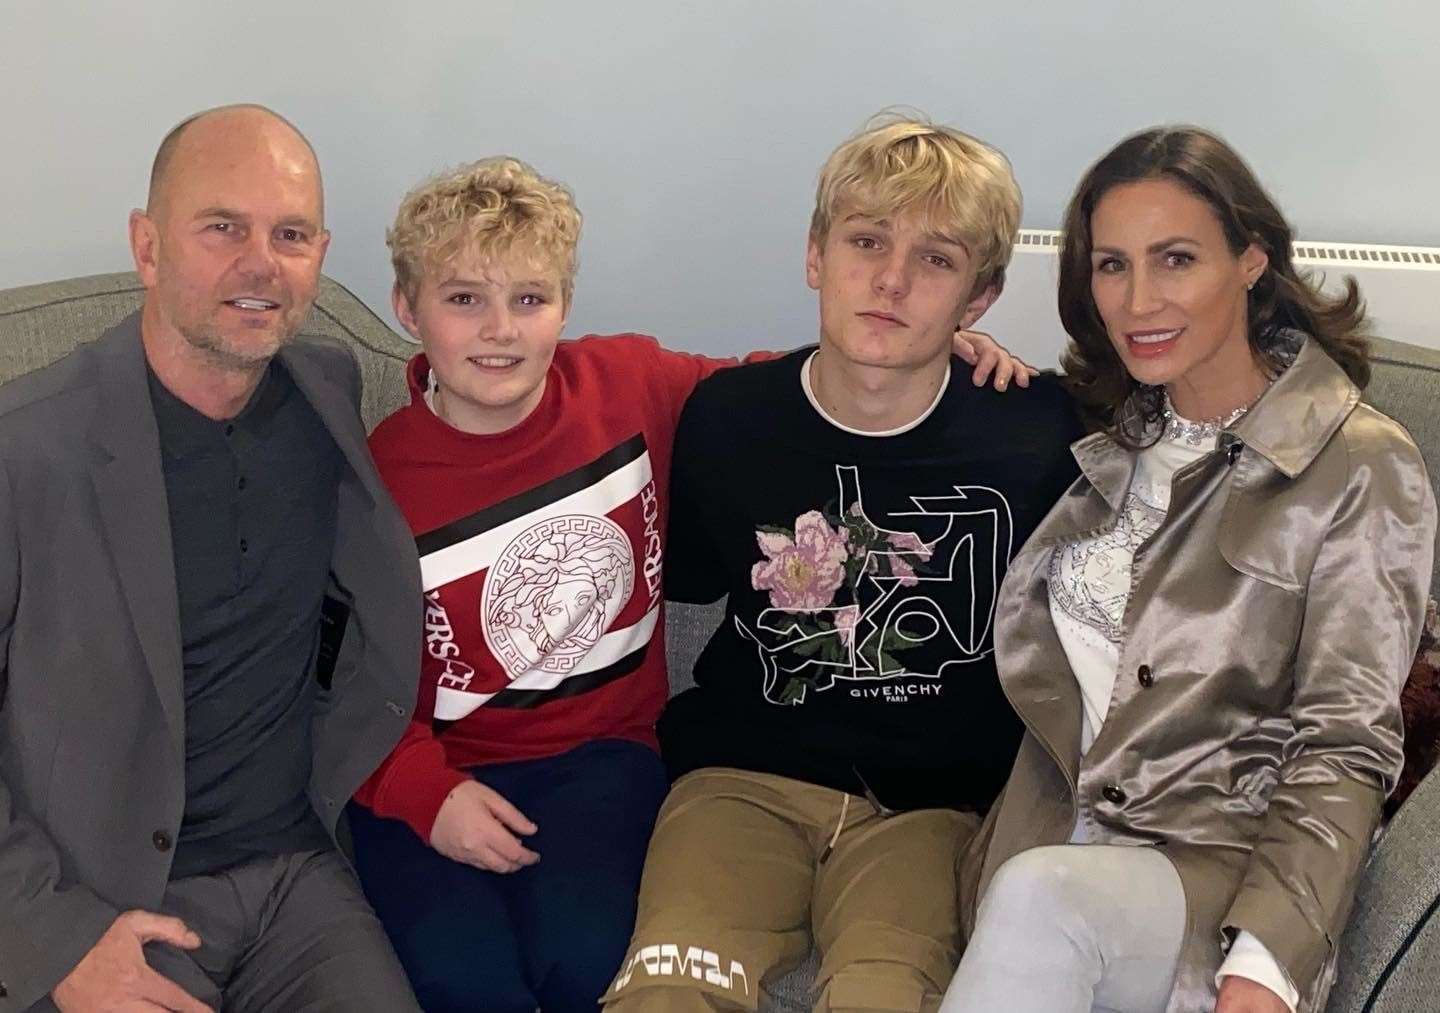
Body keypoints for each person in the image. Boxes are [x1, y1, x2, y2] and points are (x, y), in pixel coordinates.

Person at [345, 154, 1028, 1013]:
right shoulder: (374, 480)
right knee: (457, 980)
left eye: (528, 299)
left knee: (590, 962)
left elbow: (789, 396)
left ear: (563, 304)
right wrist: (423, 791)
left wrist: (932, 349)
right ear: (409, 309)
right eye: (462, 300)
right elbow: (345, 683)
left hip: (606, 758)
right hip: (439, 768)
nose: (499, 330)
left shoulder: (628, 386)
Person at [940, 126, 1437, 1013]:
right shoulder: (1105, 436)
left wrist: (1268, 962)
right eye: (1111, 266)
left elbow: (1347, 740)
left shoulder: (1359, 463)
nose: (1137, 300)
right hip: (1046, 860)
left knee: (1043, 899)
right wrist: (960, 352)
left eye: (1176, 259)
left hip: (1212, 878)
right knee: (1037, 894)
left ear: (1251, 261)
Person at [601, 116, 1084, 1012]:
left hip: (934, 809)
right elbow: (689, 578)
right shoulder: (728, 417)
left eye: (936, 260)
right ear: (815, 255)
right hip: (739, 782)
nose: (892, 280)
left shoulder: (1039, 432)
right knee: (665, 992)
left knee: (885, 996)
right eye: (866, 241)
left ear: (978, 299)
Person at [0, 105, 422, 1012]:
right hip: (109, 899)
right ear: (147, 247)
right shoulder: (23, 449)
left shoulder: (330, 392)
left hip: (298, 876)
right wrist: (52, 934)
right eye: (222, 226)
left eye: (291, 233)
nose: (261, 262)